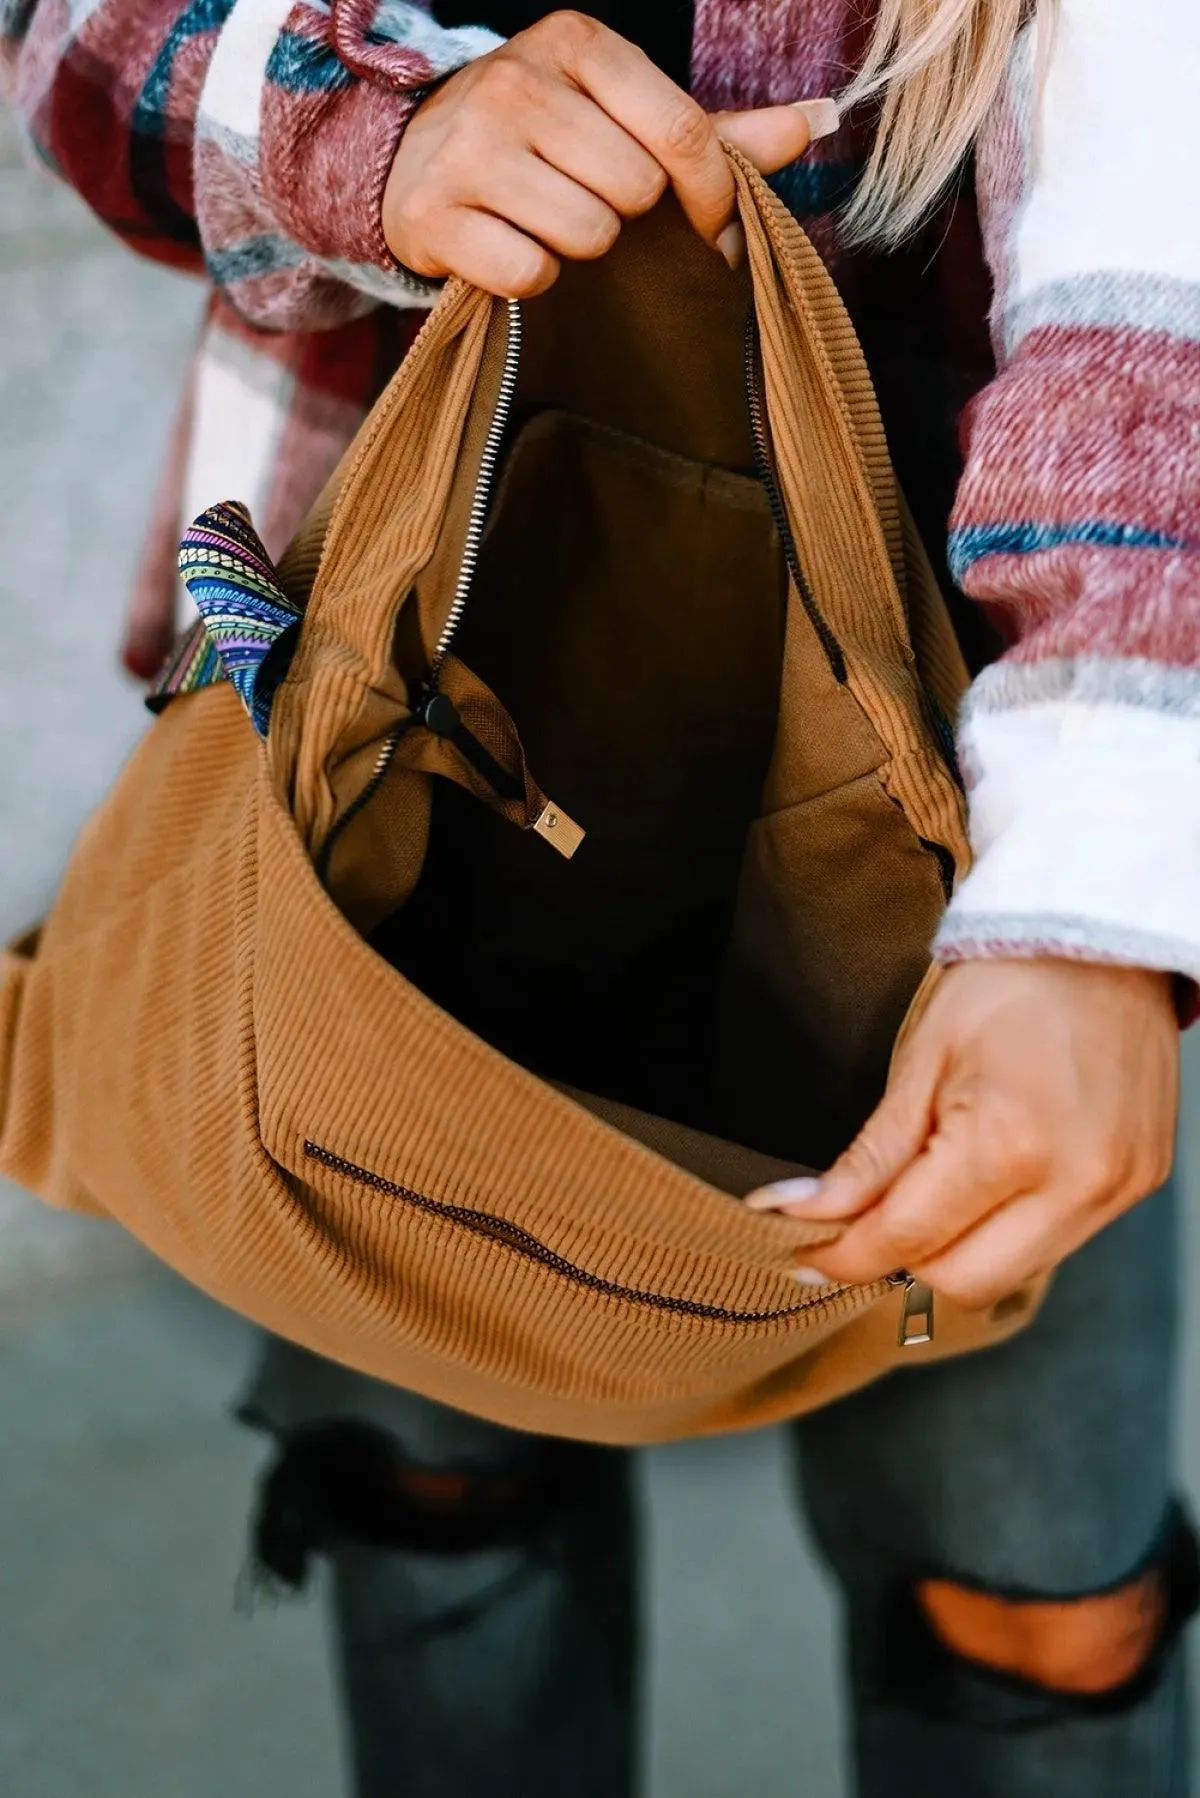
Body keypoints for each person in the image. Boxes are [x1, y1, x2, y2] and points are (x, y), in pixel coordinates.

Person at [3, 0, 1198, 1792]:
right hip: (404, 689)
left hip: (986, 752)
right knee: (431, 1482)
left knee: (1033, 1588)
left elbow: (1157, 242)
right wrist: (372, 137)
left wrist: (1097, 868)